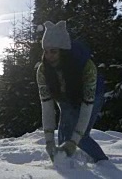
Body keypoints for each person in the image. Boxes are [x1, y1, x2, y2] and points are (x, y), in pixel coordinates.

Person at [36, 20, 108, 163]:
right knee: (64, 132)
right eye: (46, 51)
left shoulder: (87, 68)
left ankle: (103, 163)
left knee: (82, 137)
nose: (49, 56)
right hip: (65, 96)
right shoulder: (43, 71)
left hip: (94, 95)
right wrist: (49, 142)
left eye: (54, 51)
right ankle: (65, 163)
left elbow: (87, 106)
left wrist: (74, 141)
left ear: (63, 51)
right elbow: (47, 107)